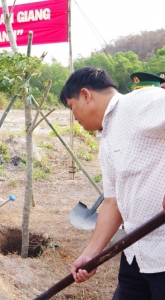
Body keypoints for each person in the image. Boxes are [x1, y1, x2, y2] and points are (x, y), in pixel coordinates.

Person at [60, 67, 165, 299]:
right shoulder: (107, 137)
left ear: (86, 95)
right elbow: (112, 202)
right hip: (136, 251)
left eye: (71, 107)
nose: (74, 117)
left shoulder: (140, 102)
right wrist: (90, 253)